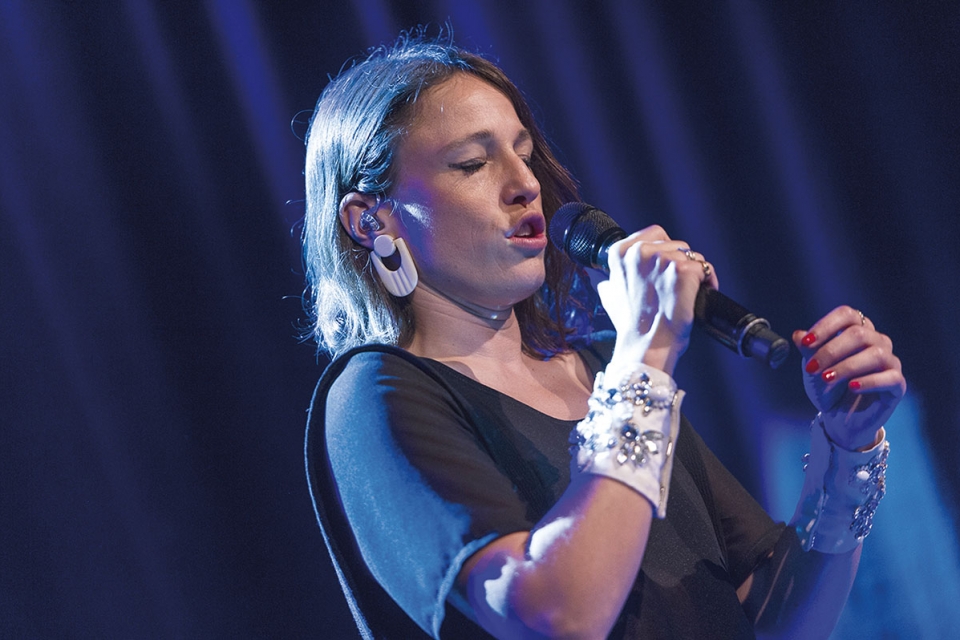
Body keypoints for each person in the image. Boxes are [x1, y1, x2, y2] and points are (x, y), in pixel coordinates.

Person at [301, 32, 905, 639]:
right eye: (472, 163)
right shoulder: (373, 395)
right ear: (370, 219)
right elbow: (557, 615)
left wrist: (846, 450)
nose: (525, 183)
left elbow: (776, 622)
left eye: (524, 153)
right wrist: (647, 355)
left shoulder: (604, 371)